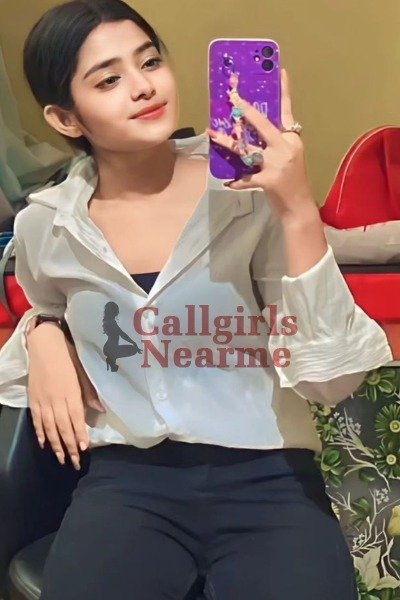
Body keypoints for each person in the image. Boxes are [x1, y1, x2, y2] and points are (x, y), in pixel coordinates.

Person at [0, 0, 393, 598]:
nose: (143, 86)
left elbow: (331, 381)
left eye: (149, 61)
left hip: (266, 475)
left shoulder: (246, 192)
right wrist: (43, 334)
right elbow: (44, 302)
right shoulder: (47, 225)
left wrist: (295, 208)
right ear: (65, 118)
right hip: (126, 483)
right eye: (108, 80)